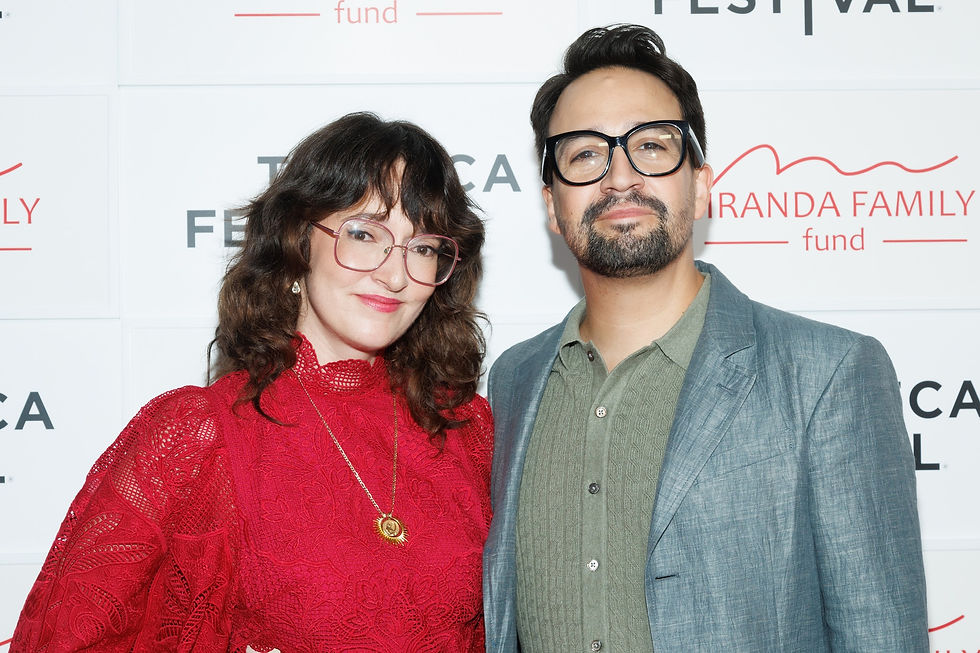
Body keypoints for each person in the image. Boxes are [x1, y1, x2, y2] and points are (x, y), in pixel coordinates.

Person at [482, 24, 927, 652]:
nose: (619, 178)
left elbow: (882, 635)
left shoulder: (829, 374)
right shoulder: (513, 380)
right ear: (552, 203)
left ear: (701, 182)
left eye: (652, 147)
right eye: (584, 154)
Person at [12, 112, 492, 652]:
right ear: (296, 242)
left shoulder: (467, 430)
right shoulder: (199, 433)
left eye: (423, 247)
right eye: (364, 234)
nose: (395, 273)